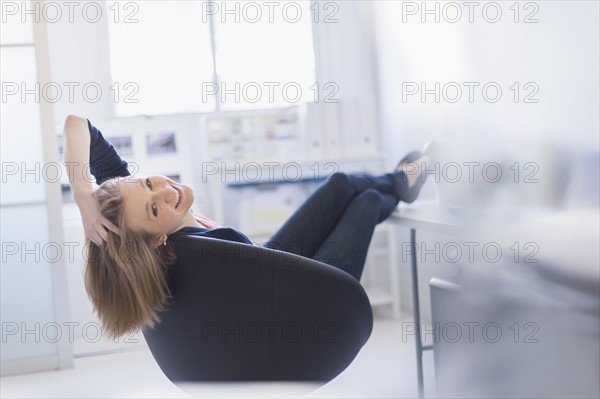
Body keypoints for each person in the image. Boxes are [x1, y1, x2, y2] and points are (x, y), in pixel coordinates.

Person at [63, 114, 432, 338]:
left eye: (146, 183)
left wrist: (84, 194)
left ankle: (400, 183)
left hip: (273, 273)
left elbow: (77, 125)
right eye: (155, 209)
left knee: (341, 184)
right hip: (308, 303)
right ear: (157, 240)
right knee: (364, 201)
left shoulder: (139, 222)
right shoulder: (212, 250)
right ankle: (401, 182)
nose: (163, 190)